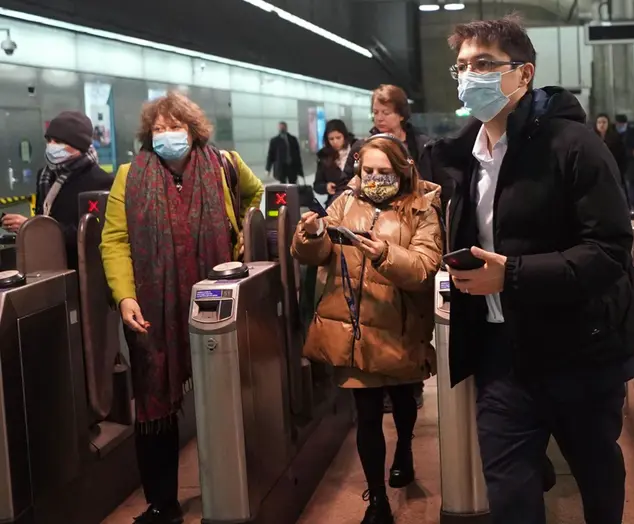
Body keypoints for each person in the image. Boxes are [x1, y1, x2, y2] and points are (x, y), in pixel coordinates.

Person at [430, 16, 634, 524]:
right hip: (500, 356)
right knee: (509, 494)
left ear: (523, 74)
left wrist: (510, 276)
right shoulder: (462, 158)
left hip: (580, 351)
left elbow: (610, 251)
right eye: (462, 66)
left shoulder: (575, 147)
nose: (470, 76)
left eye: (485, 64)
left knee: (596, 472)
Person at [100, 91, 264, 524]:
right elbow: (114, 240)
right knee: (153, 398)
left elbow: (255, 195)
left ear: (193, 131)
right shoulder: (128, 177)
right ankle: (161, 502)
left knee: (224, 390)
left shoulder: (225, 164)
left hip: (215, 297)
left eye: (175, 127)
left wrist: (243, 239)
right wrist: (125, 295)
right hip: (153, 308)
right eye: (158, 129)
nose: (166, 135)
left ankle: (233, 488)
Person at [291, 135, 442, 524]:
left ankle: (404, 449)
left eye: (384, 172)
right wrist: (311, 235)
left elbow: (426, 266)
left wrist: (385, 255)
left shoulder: (421, 207)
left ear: (402, 170)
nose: (374, 178)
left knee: (404, 398)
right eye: (368, 171)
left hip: (399, 326)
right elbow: (318, 255)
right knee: (367, 412)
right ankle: (376, 500)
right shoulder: (344, 203)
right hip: (354, 330)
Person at [339, 84, 444, 411]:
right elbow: (350, 191)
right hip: (372, 243)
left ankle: (408, 388)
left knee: (407, 320)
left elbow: (434, 192)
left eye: (385, 111)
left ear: (401, 112)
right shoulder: (362, 146)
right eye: (375, 112)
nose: (379, 118)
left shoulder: (423, 144)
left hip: (411, 234)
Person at [2, 111, 113, 270]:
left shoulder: (99, 181)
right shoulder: (45, 176)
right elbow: (46, 215)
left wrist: (32, 228)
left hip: (79, 270)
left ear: (79, 145)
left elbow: (90, 235)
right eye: (49, 140)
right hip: (46, 262)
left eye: (59, 141)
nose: (52, 146)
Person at [313, 119, 357, 207]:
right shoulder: (324, 156)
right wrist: (326, 187)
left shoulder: (357, 149)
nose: (335, 142)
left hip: (357, 202)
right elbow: (317, 185)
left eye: (338, 137)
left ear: (344, 136)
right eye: (331, 139)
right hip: (335, 203)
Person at [594, 113, 627, 181]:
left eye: (604, 122)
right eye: (599, 122)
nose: (601, 125)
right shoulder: (591, 138)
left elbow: (621, 157)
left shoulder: (615, 138)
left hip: (612, 172)